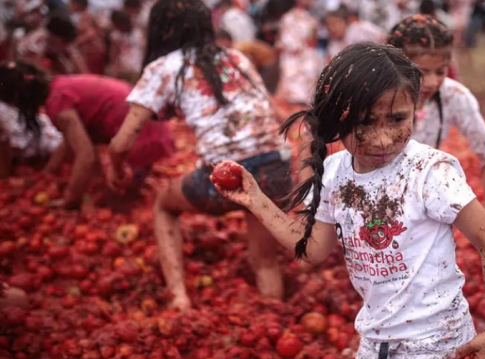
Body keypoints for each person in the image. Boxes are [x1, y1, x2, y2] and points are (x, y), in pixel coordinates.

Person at [212, 43, 485, 359]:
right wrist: (255, 200)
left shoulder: (429, 172)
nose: (383, 138)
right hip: (376, 333)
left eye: (398, 119)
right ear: (337, 118)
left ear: (414, 109)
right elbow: (312, 251)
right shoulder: (335, 173)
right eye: (365, 123)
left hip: (434, 335)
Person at [108, 0, 293, 310]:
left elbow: (122, 142)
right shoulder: (235, 57)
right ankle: (273, 314)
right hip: (277, 166)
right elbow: (276, 113)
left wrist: (114, 169)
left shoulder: (164, 67)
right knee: (264, 259)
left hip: (228, 175)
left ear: (162, 29)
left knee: (164, 205)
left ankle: (179, 297)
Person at [0, 61, 175, 209]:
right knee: (123, 193)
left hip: (138, 135)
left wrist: (70, 199)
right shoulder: (60, 85)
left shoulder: (57, 104)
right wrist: (49, 171)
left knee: (117, 204)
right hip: (149, 122)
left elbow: (85, 155)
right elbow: (73, 140)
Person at [389, 15, 485, 219]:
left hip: (421, 195)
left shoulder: (453, 96)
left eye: (440, 72)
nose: (433, 82)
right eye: (421, 72)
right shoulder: (375, 94)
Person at [275, 0, 321, 105]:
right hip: (292, 57)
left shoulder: (311, 18)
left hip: (307, 56)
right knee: (293, 94)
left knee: (307, 93)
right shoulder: (288, 17)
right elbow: (286, 41)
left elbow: (313, 39)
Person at [108, 10, 144, 82]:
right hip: (123, 68)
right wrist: (116, 67)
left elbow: (143, 49)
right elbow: (113, 54)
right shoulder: (116, 35)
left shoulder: (137, 33)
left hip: (136, 68)